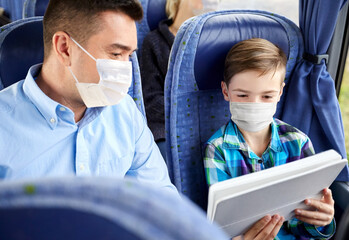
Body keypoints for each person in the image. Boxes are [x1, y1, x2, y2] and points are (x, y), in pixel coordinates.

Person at [0, 0, 176, 194]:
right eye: (116, 54)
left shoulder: (125, 111)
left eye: (129, 56)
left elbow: (163, 201)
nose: (127, 70)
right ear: (64, 48)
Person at [203, 38, 336, 239]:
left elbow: (304, 219)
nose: (255, 104)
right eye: (243, 95)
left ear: (280, 92)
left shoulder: (299, 143)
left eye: (266, 97)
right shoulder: (217, 150)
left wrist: (321, 221)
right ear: (225, 91)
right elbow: (224, 225)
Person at [140, 0, 219, 159]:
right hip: (167, 127)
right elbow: (151, 100)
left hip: (209, 124)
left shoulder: (214, 39)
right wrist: (189, 114)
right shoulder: (155, 41)